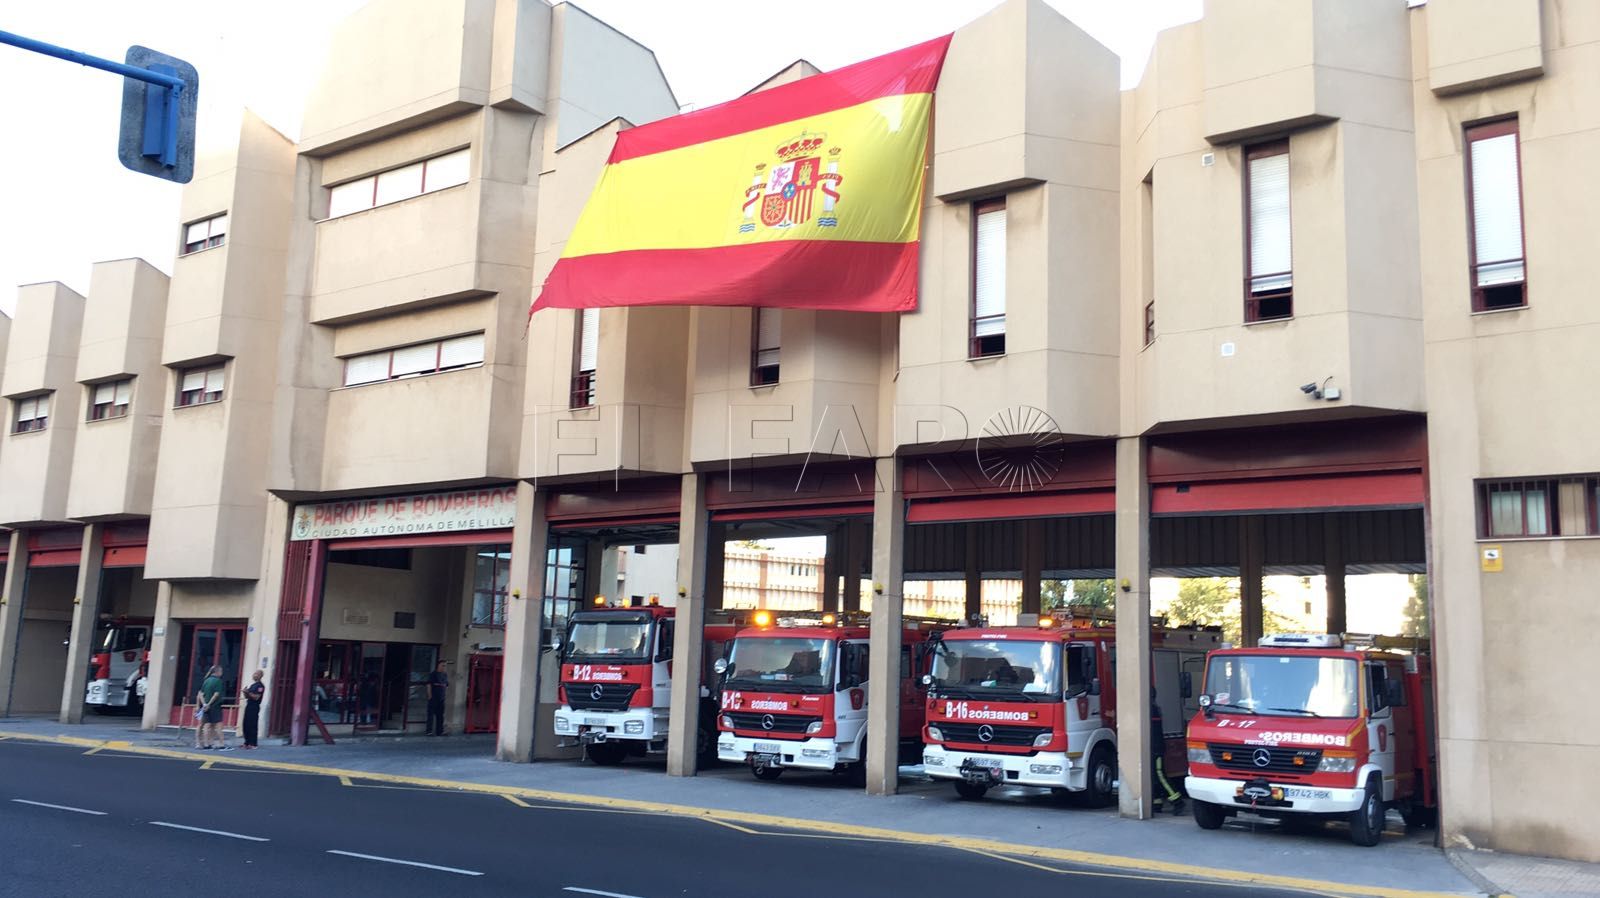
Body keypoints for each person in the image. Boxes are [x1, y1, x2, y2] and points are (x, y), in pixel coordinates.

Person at [1150, 689, 1184, 815]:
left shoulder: (1151, 709)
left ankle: (1177, 800)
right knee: (1153, 776)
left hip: (1155, 748)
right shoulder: (1153, 708)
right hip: (1154, 747)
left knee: (1159, 775)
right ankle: (1156, 802)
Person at [197, 666, 230, 751]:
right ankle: (221, 744)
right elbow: (216, 694)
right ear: (217, 672)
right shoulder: (218, 681)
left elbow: (200, 694)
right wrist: (209, 704)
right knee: (218, 725)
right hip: (215, 706)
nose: (222, 673)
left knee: (207, 725)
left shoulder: (206, 680)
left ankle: (206, 744)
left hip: (206, 707)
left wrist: (204, 704)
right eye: (221, 671)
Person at [239, 670, 265, 750]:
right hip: (249, 705)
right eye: (254, 673)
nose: (254, 675)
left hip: (254, 706)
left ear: (260, 676)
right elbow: (247, 696)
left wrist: (248, 693)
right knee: (246, 724)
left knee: (252, 724)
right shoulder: (253, 685)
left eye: (256, 674)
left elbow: (257, 697)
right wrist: (244, 692)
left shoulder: (260, 686)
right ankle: (246, 742)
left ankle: (253, 743)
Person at [427, 661, 448, 736]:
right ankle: (429, 731)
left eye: (445, 666)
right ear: (438, 666)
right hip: (433, 697)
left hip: (441, 698)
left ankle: (440, 731)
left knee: (440, 715)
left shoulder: (445, 675)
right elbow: (429, 684)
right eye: (443, 665)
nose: (444, 667)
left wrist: (445, 695)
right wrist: (429, 695)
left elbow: (446, 685)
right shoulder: (433, 674)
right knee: (431, 715)